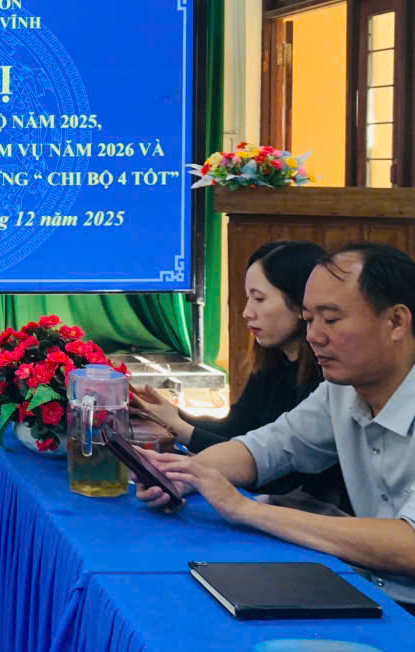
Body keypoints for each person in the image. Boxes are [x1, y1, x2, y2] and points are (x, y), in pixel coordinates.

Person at [136, 243, 415, 612]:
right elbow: (268, 447)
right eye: (309, 319)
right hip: (373, 592)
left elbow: (408, 545)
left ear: (396, 322)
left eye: (331, 320)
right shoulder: (340, 391)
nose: (314, 336)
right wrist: (184, 473)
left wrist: (245, 509)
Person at [132, 240, 346, 505]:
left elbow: (281, 474)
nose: (246, 312)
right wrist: (174, 419)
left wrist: (180, 431)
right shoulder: (275, 361)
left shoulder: (335, 378)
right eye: (248, 298)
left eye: (259, 299)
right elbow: (250, 439)